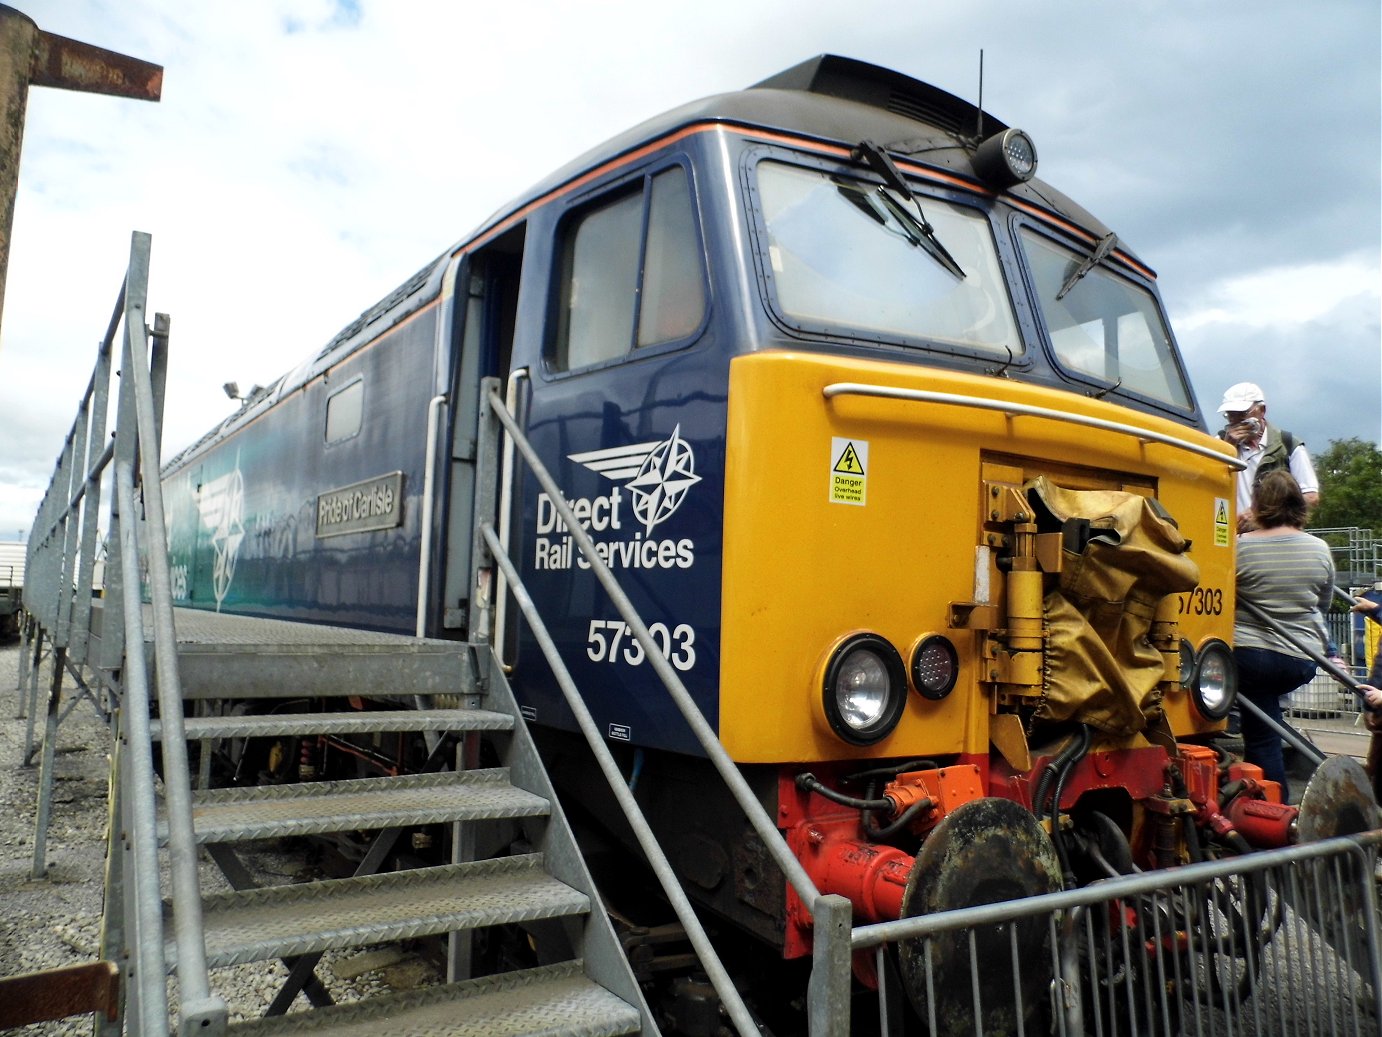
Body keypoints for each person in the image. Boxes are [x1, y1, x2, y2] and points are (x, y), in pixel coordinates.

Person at [1232, 470, 1333, 799]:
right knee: (1268, 715)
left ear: (1258, 504)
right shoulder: (1319, 549)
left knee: (1261, 736)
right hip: (1301, 658)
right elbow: (1323, 603)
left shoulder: (1240, 548)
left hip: (1248, 656)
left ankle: (1273, 806)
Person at [1217, 382, 1320, 532]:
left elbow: (1311, 497)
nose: (1236, 420)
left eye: (1242, 414)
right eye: (1231, 415)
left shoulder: (1288, 445)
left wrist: (1261, 513)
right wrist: (1227, 450)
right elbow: (1205, 486)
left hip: (1275, 537)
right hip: (1229, 536)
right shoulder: (1219, 443)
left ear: (1262, 410)